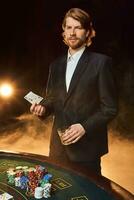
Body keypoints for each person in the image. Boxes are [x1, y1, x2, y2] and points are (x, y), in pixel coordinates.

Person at [30, 8, 118, 175]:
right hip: (57, 149)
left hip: (87, 151)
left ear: (88, 32)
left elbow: (110, 108)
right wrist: (43, 109)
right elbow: (52, 99)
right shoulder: (55, 65)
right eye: (68, 28)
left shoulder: (101, 63)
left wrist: (84, 127)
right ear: (63, 32)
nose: (72, 32)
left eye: (78, 28)